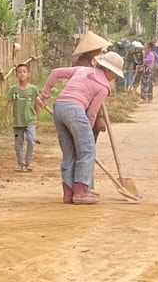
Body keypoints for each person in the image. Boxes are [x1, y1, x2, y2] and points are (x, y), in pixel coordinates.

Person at [40, 51, 125, 205]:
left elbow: (55, 73)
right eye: (115, 75)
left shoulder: (82, 70)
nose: (115, 78)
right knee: (87, 151)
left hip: (59, 107)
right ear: (109, 71)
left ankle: (68, 193)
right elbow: (92, 113)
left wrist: (44, 96)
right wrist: (86, 136)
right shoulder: (103, 86)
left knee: (69, 153)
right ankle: (80, 192)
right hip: (76, 110)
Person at [71, 30, 112, 141]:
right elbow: (91, 97)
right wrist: (98, 117)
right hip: (84, 110)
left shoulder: (85, 65)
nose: (100, 51)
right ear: (91, 51)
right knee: (86, 144)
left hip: (77, 109)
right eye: (98, 49)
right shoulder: (86, 69)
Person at [4, 63, 41, 172]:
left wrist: (38, 119)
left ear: (28, 74)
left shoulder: (33, 89)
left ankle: (28, 162)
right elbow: (9, 103)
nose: (22, 74)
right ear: (16, 75)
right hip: (18, 121)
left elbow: (37, 104)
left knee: (31, 139)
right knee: (18, 144)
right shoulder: (13, 89)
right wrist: (6, 118)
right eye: (19, 72)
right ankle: (21, 164)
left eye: (24, 72)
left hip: (30, 120)